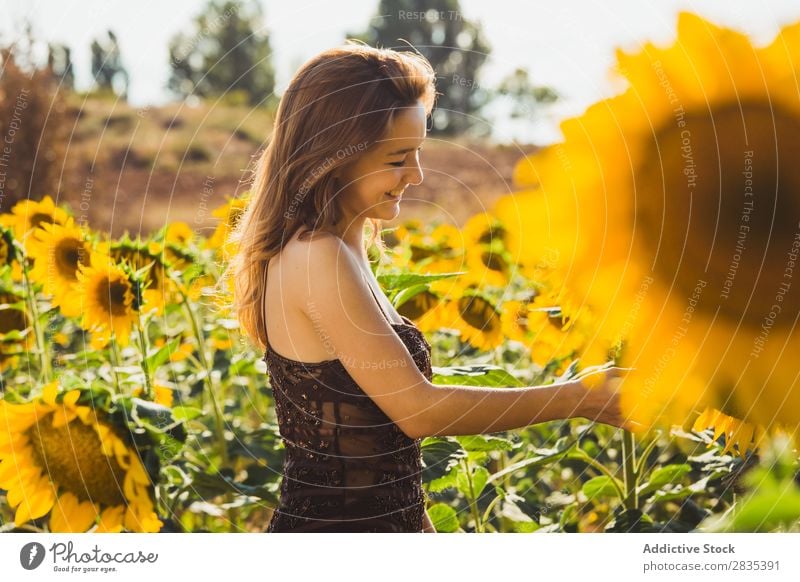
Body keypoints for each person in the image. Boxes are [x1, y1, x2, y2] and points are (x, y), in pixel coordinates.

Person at [228, 42, 634, 533]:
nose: (416, 175)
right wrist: (578, 398)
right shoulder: (317, 256)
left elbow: (387, 458)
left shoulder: (341, 246)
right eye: (399, 158)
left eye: (418, 153)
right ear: (335, 157)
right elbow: (416, 411)